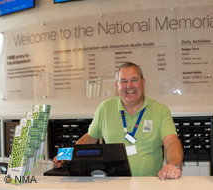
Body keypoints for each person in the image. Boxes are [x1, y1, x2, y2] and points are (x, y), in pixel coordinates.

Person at [53, 62, 183, 180]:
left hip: (149, 184)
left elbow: (171, 142)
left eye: (134, 80)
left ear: (143, 82)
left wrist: (173, 165)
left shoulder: (160, 110)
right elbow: (88, 138)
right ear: (117, 85)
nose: (129, 86)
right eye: (124, 81)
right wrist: (65, 156)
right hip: (112, 184)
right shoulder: (105, 108)